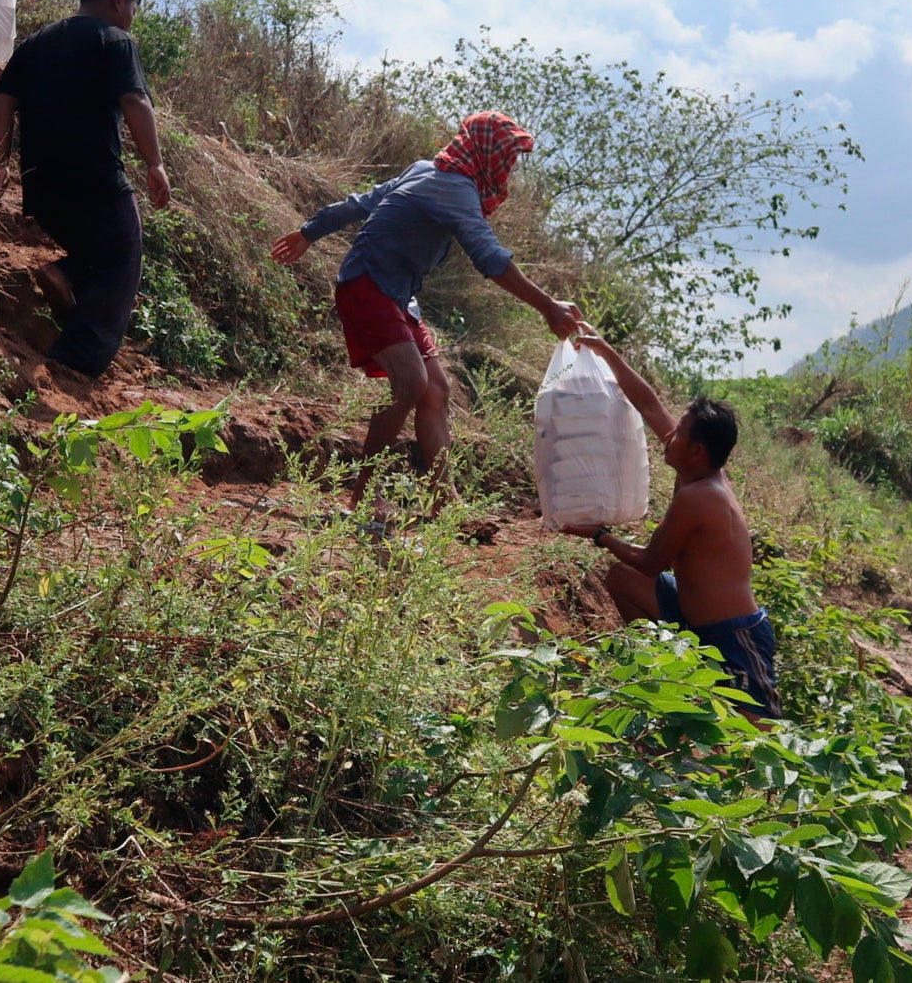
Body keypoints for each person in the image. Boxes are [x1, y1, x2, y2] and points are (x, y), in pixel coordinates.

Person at [270, 113, 580, 474]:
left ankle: (441, 499)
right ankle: (365, 499)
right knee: (412, 383)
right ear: (484, 150)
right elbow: (490, 258)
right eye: (505, 155)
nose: (508, 166)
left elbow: (359, 204)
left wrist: (309, 232)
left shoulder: (427, 170)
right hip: (368, 283)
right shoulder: (454, 186)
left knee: (435, 390)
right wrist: (548, 306)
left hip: (395, 293)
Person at [562, 335, 778, 720]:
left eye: (678, 431)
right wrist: (604, 349)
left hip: (732, 634)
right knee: (620, 578)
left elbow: (649, 562)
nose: (668, 435)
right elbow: (647, 402)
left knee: (757, 740)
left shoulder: (701, 497)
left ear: (697, 451)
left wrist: (600, 534)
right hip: (690, 616)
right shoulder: (698, 468)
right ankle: (662, 677)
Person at [0, 0, 170, 383]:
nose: (129, 19)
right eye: (131, 10)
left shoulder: (35, 43)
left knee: (97, 250)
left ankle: (64, 273)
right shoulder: (116, 41)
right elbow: (136, 102)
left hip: (43, 187)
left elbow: (2, 100)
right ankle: (74, 364)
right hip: (96, 180)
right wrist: (154, 164)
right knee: (124, 258)